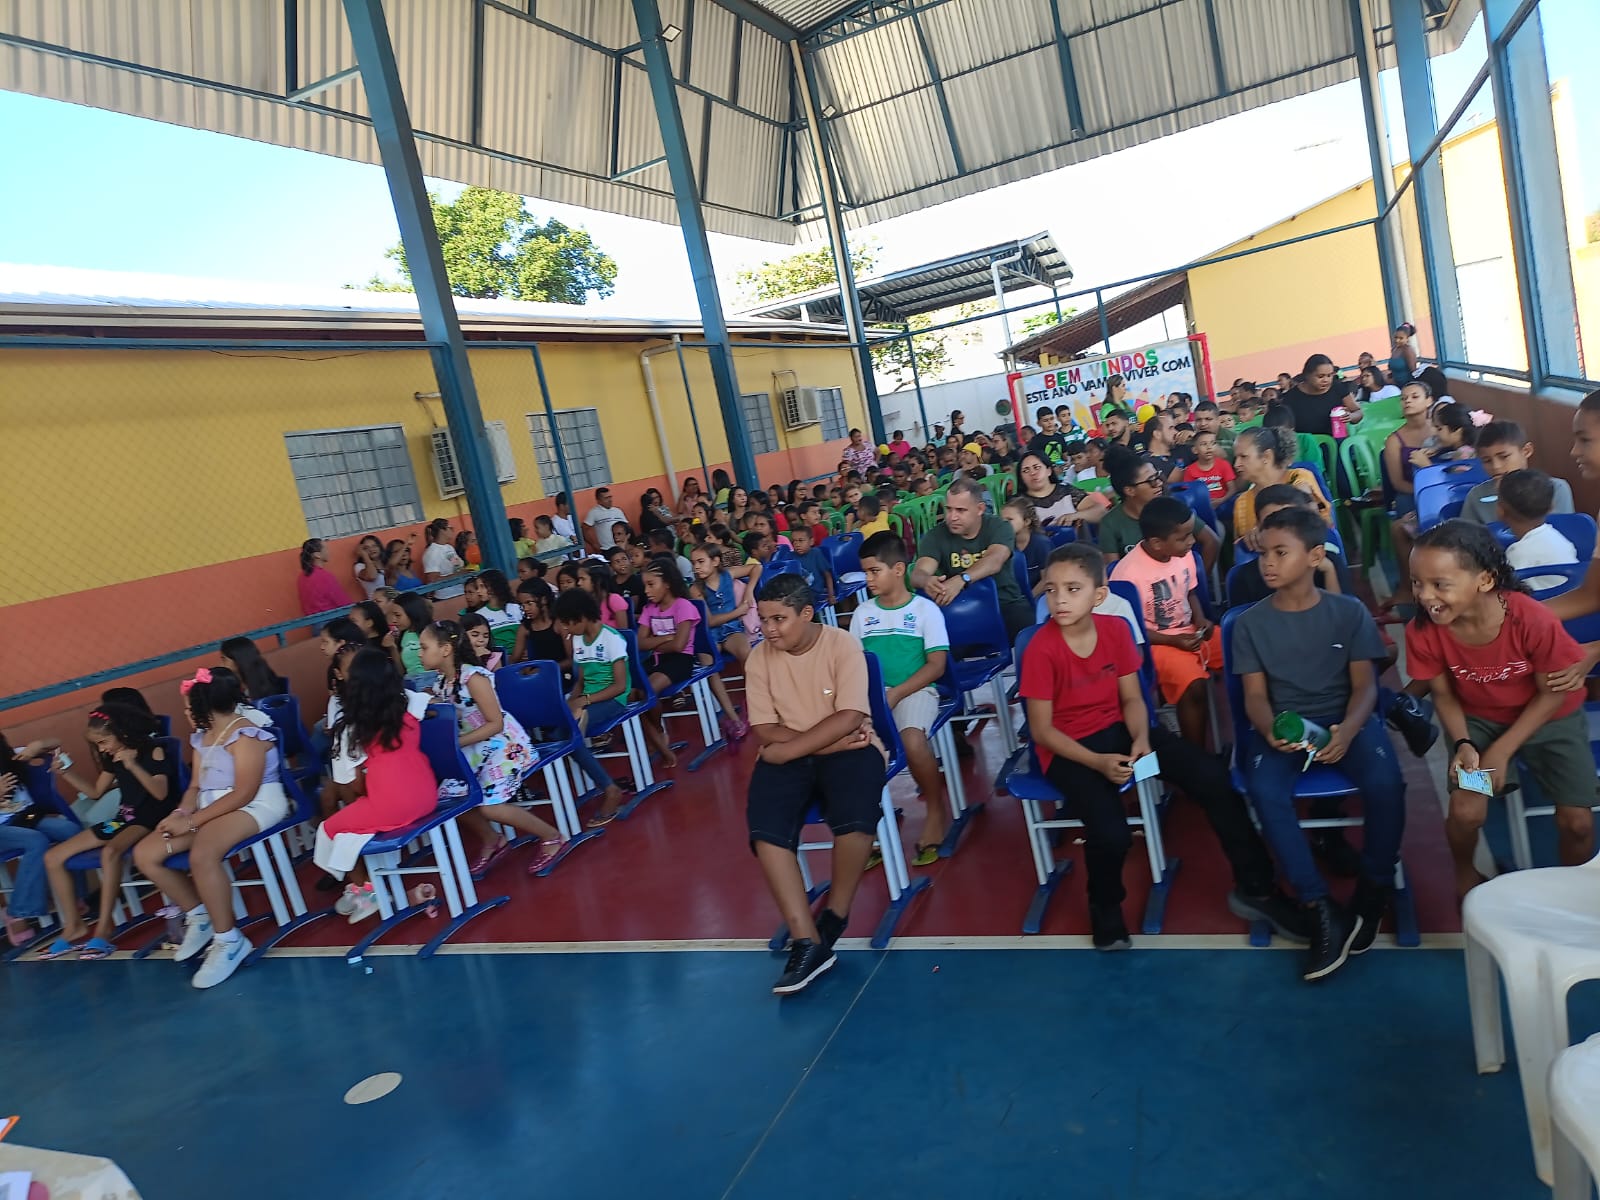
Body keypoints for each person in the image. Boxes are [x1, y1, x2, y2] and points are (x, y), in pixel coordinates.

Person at [1021, 543, 1304, 951]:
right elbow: (1042, 731)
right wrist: (1098, 763)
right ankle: (1105, 908)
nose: (1059, 600)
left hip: (1121, 732)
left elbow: (1133, 699)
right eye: (1051, 590)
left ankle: (1257, 888)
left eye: (1072, 589)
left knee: (1211, 777)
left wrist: (1140, 740)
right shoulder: (1041, 648)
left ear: (1099, 595)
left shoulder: (1116, 630)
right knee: (1112, 833)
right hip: (1069, 750)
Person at [1230, 507, 1407, 979]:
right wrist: (1270, 728)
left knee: (1387, 784)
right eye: (1264, 553)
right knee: (1265, 789)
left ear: (1314, 557)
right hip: (1285, 724)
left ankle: (1373, 888)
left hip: (1346, 719)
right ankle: (1319, 904)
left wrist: (1347, 729)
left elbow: (1365, 686)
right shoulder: (1250, 624)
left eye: (1280, 553)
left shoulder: (1347, 612)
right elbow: (1254, 696)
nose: (1268, 563)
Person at [1408, 520, 1594, 895]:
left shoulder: (1531, 619)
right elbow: (1444, 695)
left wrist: (1503, 750)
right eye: (1416, 583)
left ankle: (1573, 892)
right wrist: (1464, 743)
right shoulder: (1424, 630)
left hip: (1549, 719)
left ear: (1485, 580)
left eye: (1440, 584)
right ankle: (1465, 875)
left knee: (1578, 823)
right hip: (1479, 721)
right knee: (1466, 812)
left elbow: (1551, 694)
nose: (1425, 596)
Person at [745, 575, 884, 995]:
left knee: (856, 819)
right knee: (766, 828)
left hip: (850, 749)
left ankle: (834, 916)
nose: (769, 629)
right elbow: (765, 728)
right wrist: (820, 746)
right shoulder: (758, 659)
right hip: (810, 748)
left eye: (779, 619)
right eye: (764, 619)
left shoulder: (842, 645)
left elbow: (850, 717)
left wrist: (790, 750)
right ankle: (806, 941)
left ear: (806, 614)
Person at [131, 667, 291, 989]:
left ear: (204, 707)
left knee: (203, 855)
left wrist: (191, 822)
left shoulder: (246, 735)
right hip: (210, 809)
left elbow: (244, 792)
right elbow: (194, 786)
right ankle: (200, 915)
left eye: (188, 707)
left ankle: (229, 940)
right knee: (146, 853)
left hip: (254, 804)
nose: (185, 713)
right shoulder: (202, 737)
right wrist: (181, 813)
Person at [27, 706, 177, 959]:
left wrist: (132, 765)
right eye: (98, 744)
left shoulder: (153, 750)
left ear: (122, 733)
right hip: (123, 819)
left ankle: (105, 928)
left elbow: (160, 793)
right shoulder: (112, 757)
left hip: (150, 818)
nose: (102, 748)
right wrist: (66, 773)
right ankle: (74, 926)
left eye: (104, 741)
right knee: (53, 857)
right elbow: (95, 792)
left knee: (110, 852)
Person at [420, 620, 565, 875]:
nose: (419, 654)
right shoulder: (442, 682)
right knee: (449, 799)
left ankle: (552, 836)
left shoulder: (474, 678)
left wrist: (457, 743)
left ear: (445, 649)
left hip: (504, 746)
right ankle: (492, 839)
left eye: (424, 647)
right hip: (475, 748)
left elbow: (496, 723)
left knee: (489, 805)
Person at [314, 647, 437, 924]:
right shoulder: (409, 706)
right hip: (427, 793)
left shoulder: (352, 727)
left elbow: (354, 786)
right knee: (353, 829)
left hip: (390, 804)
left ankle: (365, 891)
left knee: (331, 828)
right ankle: (366, 889)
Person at [853, 531, 950, 865]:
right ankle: (870, 827)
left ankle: (935, 810)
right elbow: (854, 664)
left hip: (915, 690)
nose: (868, 579)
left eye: (874, 571)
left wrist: (896, 693)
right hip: (873, 696)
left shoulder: (925, 611)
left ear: (897, 570)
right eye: (865, 572)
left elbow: (936, 666)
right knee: (853, 750)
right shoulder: (862, 614)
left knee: (912, 740)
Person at [1114, 498, 1219, 748]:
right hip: (1155, 643)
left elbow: (1190, 592)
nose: (1192, 541)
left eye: (1191, 534)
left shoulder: (1183, 554)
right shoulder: (1127, 575)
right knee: (1194, 686)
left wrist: (1200, 618)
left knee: (1244, 652)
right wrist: (1173, 641)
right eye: (1183, 538)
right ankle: (1196, 758)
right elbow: (1128, 631)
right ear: (1157, 543)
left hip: (1189, 632)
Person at [553, 590, 649, 828]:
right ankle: (604, 784)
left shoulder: (611, 639)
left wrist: (584, 700)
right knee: (558, 734)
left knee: (571, 735)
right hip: (589, 699)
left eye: (567, 622)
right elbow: (580, 680)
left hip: (613, 700)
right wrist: (571, 701)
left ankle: (610, 789)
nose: (565, 628)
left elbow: (620, 686)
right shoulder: (578, 639)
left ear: (581, 617)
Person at [912, 477, 1033, 640]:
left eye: (961, 510)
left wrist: (962, 579)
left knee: (1027, 633)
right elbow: (918, 573)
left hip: (1005, 603)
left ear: (980, 509)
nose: (952, 517)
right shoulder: (936, 535)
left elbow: (995, 560)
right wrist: (926, 581)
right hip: (960, 608)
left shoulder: (1000, 527)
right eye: (949, 509)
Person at [0, 732, 83, 946]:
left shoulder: (11, 756)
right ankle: (18, 913)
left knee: (70, 830)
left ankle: (72, 896)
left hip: (24, 818)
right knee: (35, 841)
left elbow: (56, 742)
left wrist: (36, 745)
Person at [1230, 427, 1332, 548]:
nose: (1236, 464)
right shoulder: (1242, 502)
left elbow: (1310, 517)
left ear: (1266, 456)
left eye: (1243, 456)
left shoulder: (1299, 478)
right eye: (1236, 458)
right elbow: (1240, 547)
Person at [1461, 419, 1574, 526]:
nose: (1496, 466)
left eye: (1504, 457)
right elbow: (1466, 537)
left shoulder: (1555, 488)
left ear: (1526, 451)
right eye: (1487, 461)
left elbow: (1561, 532)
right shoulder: (1476, 495)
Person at [1499, 469, 1579, 593]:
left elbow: (1506, 593)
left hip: (1545, 602)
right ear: (1551, 507)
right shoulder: (1560, 539)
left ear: (1501, 511)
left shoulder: (1518, 553)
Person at [1016, 450, 1106, 528]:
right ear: (1021, 477)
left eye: (1036, 467)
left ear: (1049, 470)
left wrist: (1076, 516)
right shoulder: (1018, 503)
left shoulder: (1068, 492)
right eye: (1026, 470)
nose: (1032, 473)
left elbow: (1101, 511)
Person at [1280, 354, 1363, 438]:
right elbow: (1284, 429)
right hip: (1307, 443)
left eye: (1329, 375)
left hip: (1336, 441)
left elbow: (1358, 412)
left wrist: (1351, 417)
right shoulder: (1291, 397)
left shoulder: (1337, 388)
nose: (1326, 380)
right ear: (1307, 375)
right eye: (1320, 376)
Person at [512, 578, 567, 670]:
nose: (525, 608)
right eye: (522, 605)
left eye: (529, 603)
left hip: (560, 673)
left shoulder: (559, 624)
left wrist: (545, 670)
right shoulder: (525, 628)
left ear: (543, 600)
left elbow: (570, 660)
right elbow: (514, 659)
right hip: (536, 675)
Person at [1003, 495, 1050, 596]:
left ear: (1026, 521)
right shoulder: (1003, 543)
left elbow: (1047, 579)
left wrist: (1029, 599)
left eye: (1009, 519)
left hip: (1038, 596)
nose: (1004, 524)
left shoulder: (1041, 544)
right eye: (1002, 520)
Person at [218, 636, 289, 703]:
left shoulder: (264, 684)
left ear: (238, 660)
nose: (220, 664)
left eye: (224, 659)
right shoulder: (234, 681)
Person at [296, 538, 354, 616]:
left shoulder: (301, 577)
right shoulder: (324, 576)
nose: (328, 551)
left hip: (314, 621)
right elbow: (344, 603)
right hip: (332, 618)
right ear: (317, 555)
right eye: (325, 549)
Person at [385, 592, 433, 678]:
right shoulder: (405, 635)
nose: (393, 620)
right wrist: (393, 648)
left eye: (398, 615)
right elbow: (402, 671)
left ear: (412, 613)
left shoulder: (431, 634)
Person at [1182, 430, 1237, 502]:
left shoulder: (1224, 465)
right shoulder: (1190, 470)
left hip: (1224, 503)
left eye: (1213, 443)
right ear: (1195, 450)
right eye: (1204, 444)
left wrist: (1221, 500)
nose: (1209, 447)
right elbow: (1188, 493)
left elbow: (1232, 489)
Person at [788, 524, 835, 607]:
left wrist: (831, 595)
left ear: (811, 541)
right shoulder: (790, 556)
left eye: (801, 540)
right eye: (794, 541)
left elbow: (827, 575)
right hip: (797, 593)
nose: (797, 544)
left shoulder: (816, 553)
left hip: (815, 592)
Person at [576, 561, 630, 631]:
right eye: (578, 579)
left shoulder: (614, 599)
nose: (579, 583)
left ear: (597, 580)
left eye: (583, 579)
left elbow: (624, 631)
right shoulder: (584, 602)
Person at [421, 518, 466, 600]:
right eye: (450, 528)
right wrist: (457, 575)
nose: (452, 531)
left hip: (460, 591)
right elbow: (433, 580)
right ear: (442, 530)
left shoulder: (449, 547)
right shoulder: (432, 552)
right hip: (446, 596)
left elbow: (457, 567)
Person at [1027, 405, 1072, 472]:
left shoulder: (1059, 437)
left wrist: (1068, 462)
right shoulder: (1035, 441)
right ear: (1039, 423)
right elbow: (1034, 461)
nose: (1050, 422)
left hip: (1062, 470)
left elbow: (1065, 456)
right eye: (1045, 420)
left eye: (1051, 419)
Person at [353, 534, 386, 599]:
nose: (371, 549)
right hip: (376, 602)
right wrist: (364, 555)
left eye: (374, 546)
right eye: (366, 548)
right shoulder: (359, 566)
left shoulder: (386, 562)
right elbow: (372, 576)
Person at [1388, 322, 1419, 387]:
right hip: (1395, 385)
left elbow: (1413, 371)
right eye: (1395, 337)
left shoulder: (1408, 350)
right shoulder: (1394, 349)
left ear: (1407, 339)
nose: (1397, 340)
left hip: (1406, 385)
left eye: (1401, 338)